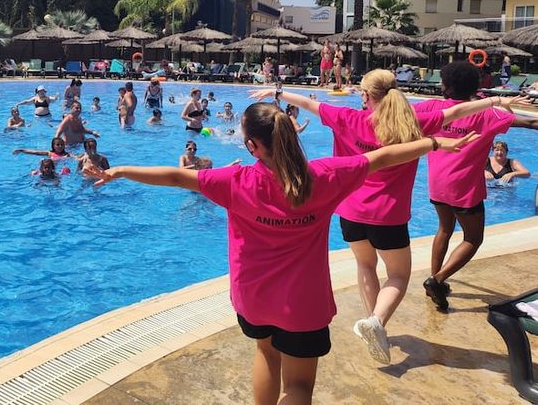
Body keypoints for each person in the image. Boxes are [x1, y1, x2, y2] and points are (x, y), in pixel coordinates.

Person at [83, 102, 477, 405]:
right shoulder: (325, 176)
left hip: (254, 298)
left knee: (266, 353)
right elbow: (382, 157)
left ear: (252, 146)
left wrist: (119, 171)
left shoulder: (235, 180)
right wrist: (434, 143)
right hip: (304, 305)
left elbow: (175, 176)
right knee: (300, 386)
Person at [253, 71, 524, 363]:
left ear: (366, 96)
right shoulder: (411, 123)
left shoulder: (348, 118)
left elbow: (310, 104)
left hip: (351, 212)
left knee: (365, 265)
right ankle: (376, 322)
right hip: (388, 215)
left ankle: (374, 324)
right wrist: (495, 101)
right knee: (398, 275)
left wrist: (277, 94)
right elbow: (457, 112)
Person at [415, 61, 538, 310]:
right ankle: (437, 280)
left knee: (444, 229)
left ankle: (435, 280)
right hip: (464, 188)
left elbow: (397, 114)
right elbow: (530, 123)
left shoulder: (432, 107)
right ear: (475, 86)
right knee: (473, 238)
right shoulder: (487, 114)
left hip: (437, 182)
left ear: (446, 86)